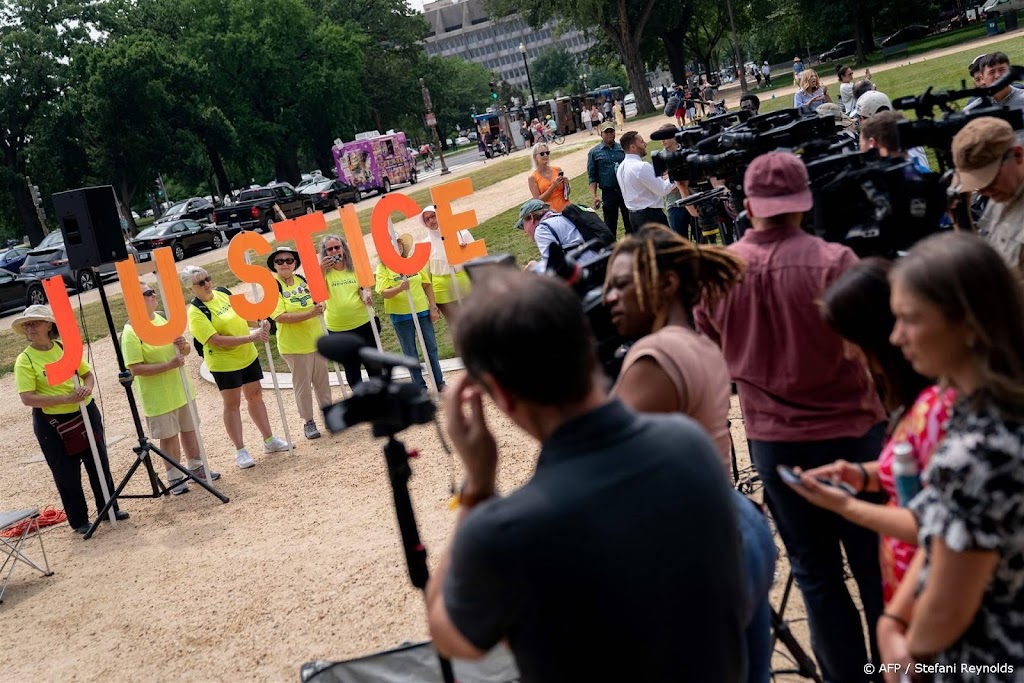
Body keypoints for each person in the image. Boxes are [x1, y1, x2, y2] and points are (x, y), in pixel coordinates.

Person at [424, 267, 747, 682]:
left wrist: (478, 487)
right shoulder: (689, 443)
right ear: (588, 345)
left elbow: (449, 635)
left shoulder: (503, 532)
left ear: (500, 393)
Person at [695, 151, 887, 682]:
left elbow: (710, 356)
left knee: (816, 575)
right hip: (854, 431)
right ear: (803, 202)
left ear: (750, 204)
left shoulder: (719, 273)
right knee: (875, 569)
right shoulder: (834, 261)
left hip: (775, 441)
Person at [603, 224, 775, 683]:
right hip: (739, 525)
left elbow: (598, 465)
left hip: (697, 547)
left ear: (667, 284)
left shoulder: (655, 356)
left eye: (622, 284)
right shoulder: (699, 341)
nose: (608, 298)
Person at [879, 232, 1024, 680]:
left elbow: (946, 610)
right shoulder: (986, 410)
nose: (895, 336)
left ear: (968, 323)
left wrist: (904, 656)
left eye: (911, 319)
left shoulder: (976, 454)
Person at [782, 259, 955, 604]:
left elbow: (941, 527)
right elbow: (921, 469)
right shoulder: (915, 402)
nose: (847, 353)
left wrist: (846, 505)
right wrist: (862, 475)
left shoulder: (944, 409)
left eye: (851, 340)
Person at [14, 305, 128, 533]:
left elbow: (87, 375)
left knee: (98, 461)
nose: (30, 327)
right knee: (66, 472)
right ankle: (79, 520)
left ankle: (109, 507)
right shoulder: (24, 360)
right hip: (52, 422)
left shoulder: (64, 349)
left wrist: (86, 388)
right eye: (27, 324)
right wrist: (66, 398)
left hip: (85, 411)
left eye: (35, 322)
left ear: (49, 325)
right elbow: (28, 398)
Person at [183, 265, 290, 469]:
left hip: (247, 355)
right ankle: (240, 450)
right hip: (224, 363)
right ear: (191, 289)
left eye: (208, 278)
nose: (207, 284)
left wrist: (259, 321)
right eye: (201, 282)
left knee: (255, 395)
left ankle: (269, 440)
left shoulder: (223, 292)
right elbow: (216, 340)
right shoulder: (196, 313)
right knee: (232, 404)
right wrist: (252, 336)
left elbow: (242, 313)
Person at [122, 282, 219, 495]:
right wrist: (169, 365)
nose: (153, 295)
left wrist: (183, 346)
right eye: (147, 293)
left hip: (180, 388)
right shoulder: (131, 332)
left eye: (152, 291)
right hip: (158, 396)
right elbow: (135, 368)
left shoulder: (161, 318)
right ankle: (174, 477)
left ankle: (197, 467)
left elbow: (184, 352)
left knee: (190, 428)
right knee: (169, 436)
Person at [267, 247, 331, 440]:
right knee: (302, 386)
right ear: (274, 265)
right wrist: (309, 313)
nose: (285, 264)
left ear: (295, 263)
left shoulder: (302, 280)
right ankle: (308, 422)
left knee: (322, 383)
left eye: (289, 260)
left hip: (316, 340)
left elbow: (319, 300)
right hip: (294, 346)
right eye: (280, 261)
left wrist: (321, 306)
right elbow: (280, 316)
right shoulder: (273, 286)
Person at [952, 117, 1024, 274]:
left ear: (1018, 155)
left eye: (989, 179)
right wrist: (962, 218)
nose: (984, 191)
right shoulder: (1002, 194)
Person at [374, 233, 445, 392]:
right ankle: (419, 386)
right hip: (401, 316)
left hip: (422, 312)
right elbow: (383, 292)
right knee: (410, 352)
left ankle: (439, 382)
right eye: (392, 244)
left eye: (398, 244)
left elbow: (426, 284)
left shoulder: (412, 262)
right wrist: (400, 288)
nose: (397, 247)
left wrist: (433, 306)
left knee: (431, 347)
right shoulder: (383, 267)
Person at [320, 234, 379, 388]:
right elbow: (315, 292)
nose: (334, 251)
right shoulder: (323, 272)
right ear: (324, 253)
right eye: (329, 249)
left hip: (363, 322)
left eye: (337, 247)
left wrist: (367, 295)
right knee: (351, 368)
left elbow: (364, 288)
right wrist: (320, 270)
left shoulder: (356, 267)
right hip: (338, 328)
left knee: (373, 364)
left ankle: (381, 401)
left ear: (344, 249)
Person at [420, 204, 474, 325]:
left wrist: (464, 252)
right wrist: (432, 304)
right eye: (427, 219)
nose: (431, 221)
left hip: (464, 285)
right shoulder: (425, 244)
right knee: (456, 326)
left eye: (433, 216)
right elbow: (426, 276)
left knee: (475, 322)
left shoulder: (461, 233)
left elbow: (477, 258)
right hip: (442, 292)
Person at [514, 198, 601, 272]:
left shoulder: (541, 230)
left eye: (523, 225)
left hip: (584, 270)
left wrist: (534, 266)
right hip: (598, 261)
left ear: (531, 218)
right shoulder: (563, 217)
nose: (525, 231)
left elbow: (553, 267)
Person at [615, 130, 673, 228]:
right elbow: (662, 189)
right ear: (632, 147)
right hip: (650, 217)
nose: (645, 144)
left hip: (634, 217)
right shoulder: (641, 166)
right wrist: (675, 175)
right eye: (641, 142)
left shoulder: (621, 167)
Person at [587, 121, 632, 236]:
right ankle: (611, 250)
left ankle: (633, 247)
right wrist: (594, 196)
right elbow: (592, 177)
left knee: (630, 221)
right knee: (610, 225)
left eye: (611, 131)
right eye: (606, 132)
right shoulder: (594, 152)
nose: (609, 134)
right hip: (608, 192)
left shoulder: (622, 148)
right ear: (601, 134)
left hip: (625, 190)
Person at [859, 111, 931, 173]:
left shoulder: (873, 184)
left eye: (860, 144)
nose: (860, 150)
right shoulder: (926, 176)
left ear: (872, 143)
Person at [527, 143, 569, 213]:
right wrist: (552, 187)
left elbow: (567, 194)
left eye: (547, 153)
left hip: (566, 208)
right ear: (535, 157)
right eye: (542, 154)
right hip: (551, 213)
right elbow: (538, 202)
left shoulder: (557, 169)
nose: (545, 155)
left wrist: (566, 184)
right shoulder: (532, 177)